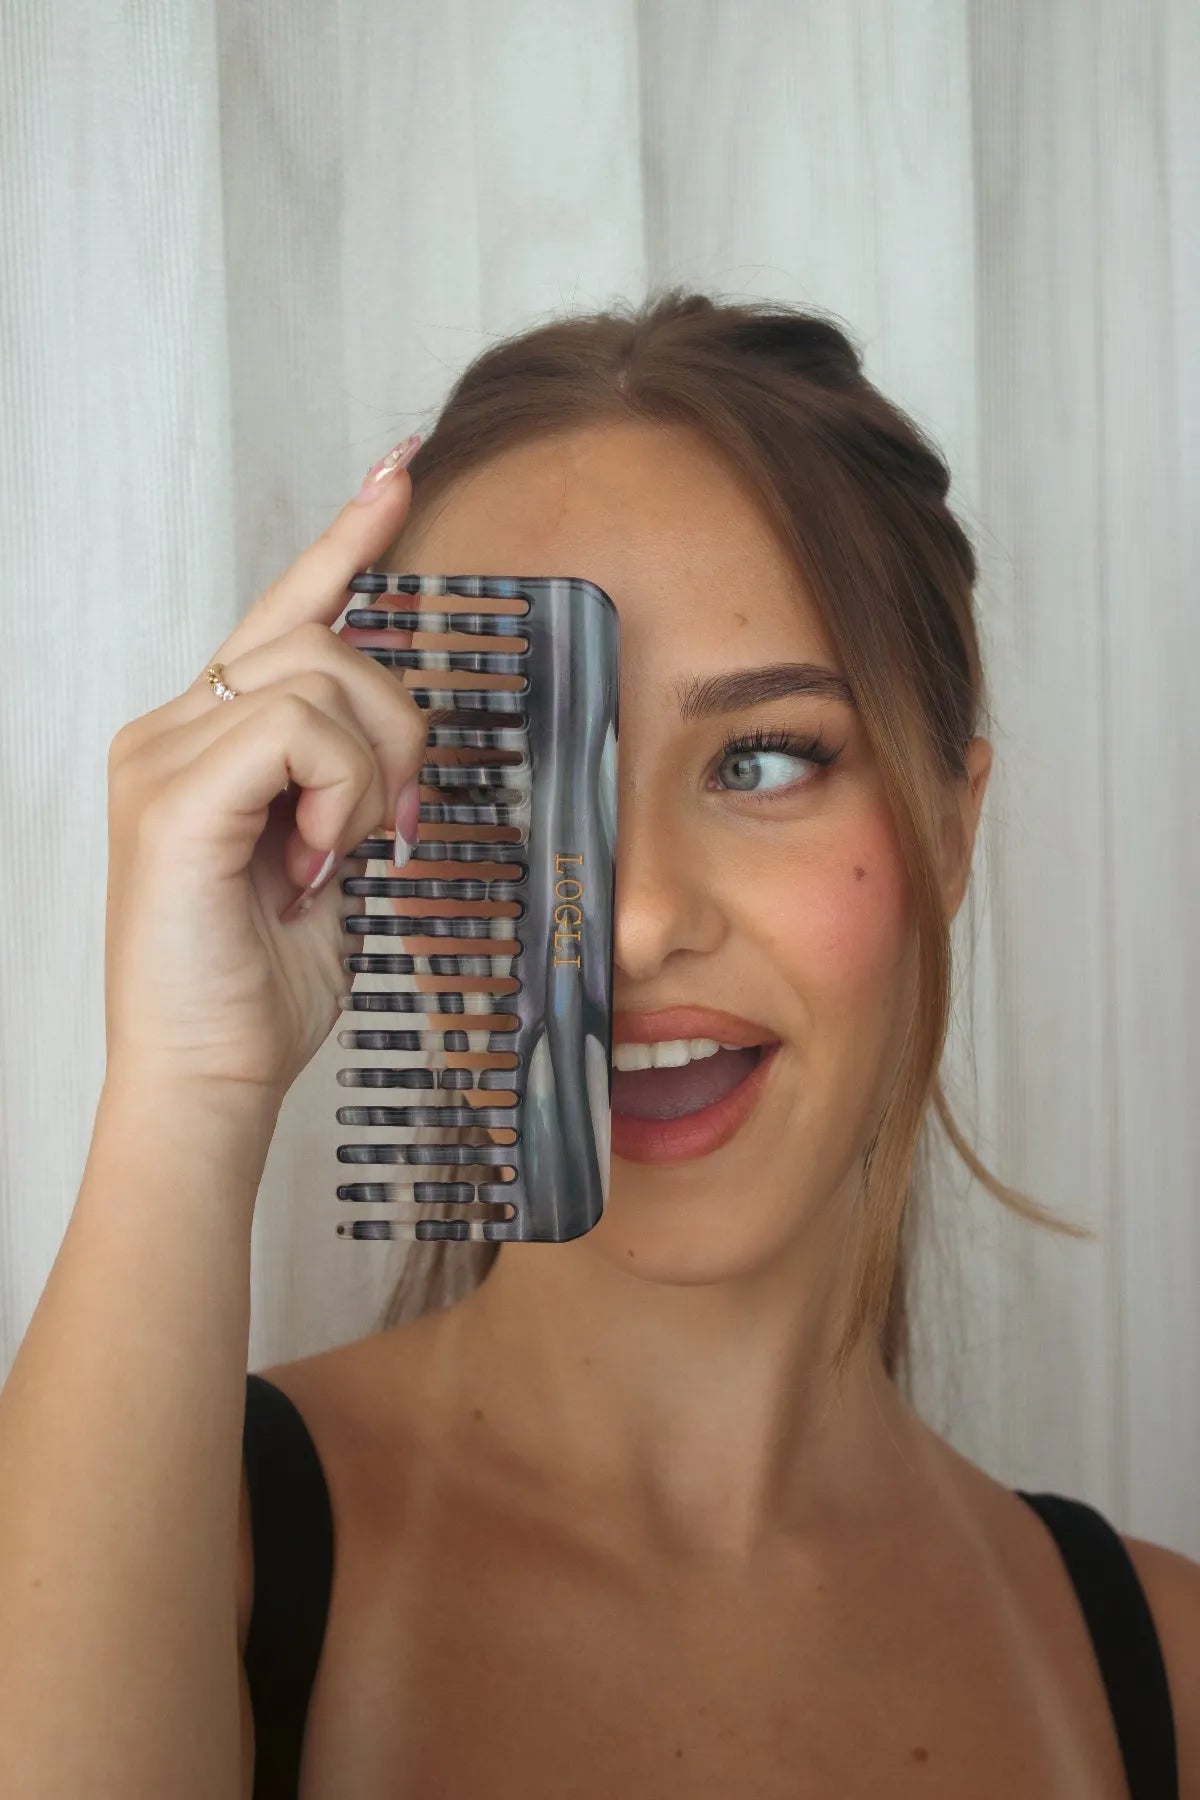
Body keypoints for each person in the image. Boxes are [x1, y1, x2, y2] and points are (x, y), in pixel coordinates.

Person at [0, 291, 1194, 1798]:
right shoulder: (180, 1559)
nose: (630, 925)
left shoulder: (1163, 1672)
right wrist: (187, 1078)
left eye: (763, 761)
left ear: (952, 829)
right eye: (500, 773)